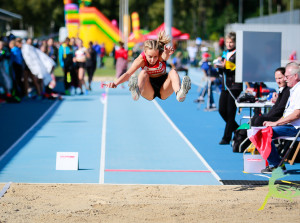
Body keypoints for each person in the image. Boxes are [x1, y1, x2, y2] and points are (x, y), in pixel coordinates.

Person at [106, 30, 191, 102]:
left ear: (158, 53)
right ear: (145, 52)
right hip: (148, 87)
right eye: (150, 57)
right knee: (143, 73)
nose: (153, 60)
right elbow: (128, 74)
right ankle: (136, 91)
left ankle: (179, 93)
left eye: (155, 57)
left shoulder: (161, 54)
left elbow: (165, 56)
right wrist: (115, 83)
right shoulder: (140, 60)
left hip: (163, 86)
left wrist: (167, 53)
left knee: (173, 72)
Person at [261, 62, 300, 173]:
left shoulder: (299, 90)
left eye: (286, 77)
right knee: (260, 130)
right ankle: (276, 164)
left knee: (264, 133)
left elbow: (296, 114)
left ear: (295, 76)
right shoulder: (294, 89)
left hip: (295, 127)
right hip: (289, 125)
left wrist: (276, 123)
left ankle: (277, 165)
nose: (285, 79)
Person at [216, 32, 243, 145]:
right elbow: (223, 68)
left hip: (234, 86)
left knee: (230, 112)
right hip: (225, 86)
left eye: (231, 42)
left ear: (235, 42)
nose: (229, 44)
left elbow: (238, 67)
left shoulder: (238, 54)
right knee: (222, 110)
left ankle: (226, 138)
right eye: (227, 42)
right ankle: (238, 130)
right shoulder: (225, 53)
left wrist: (225, 65)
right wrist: (218, 65)